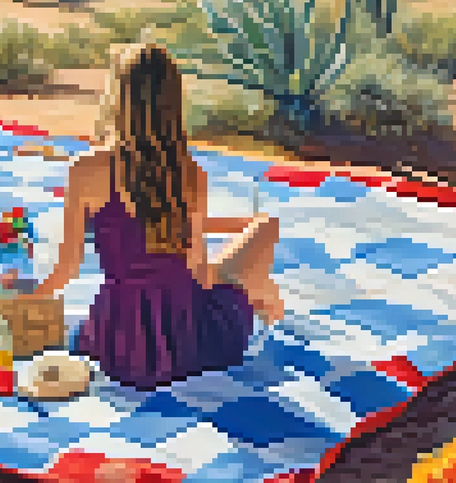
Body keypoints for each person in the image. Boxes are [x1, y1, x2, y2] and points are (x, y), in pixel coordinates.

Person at [28, 43, 284, 390]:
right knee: (262, 235)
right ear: (173, 103)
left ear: (117, 99)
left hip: (115, 342)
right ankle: (265, 298)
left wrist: (25, 303)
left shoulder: (86, 169)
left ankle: (263, 296)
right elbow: (200, 273)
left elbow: (67, 269)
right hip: (189, 341)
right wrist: (239, 288)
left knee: (249, 254)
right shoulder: (191, 172)